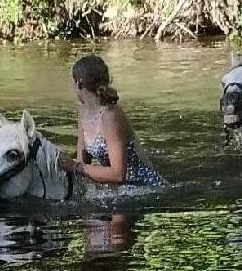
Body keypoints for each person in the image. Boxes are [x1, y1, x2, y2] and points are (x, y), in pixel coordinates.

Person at [59, 55, 165, 186]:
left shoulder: (111, 116)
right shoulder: (83, 113)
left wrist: (76, 167)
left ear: (79, 83)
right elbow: (82, 162)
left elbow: (118, 174)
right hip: (120, 191)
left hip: (146, 188)